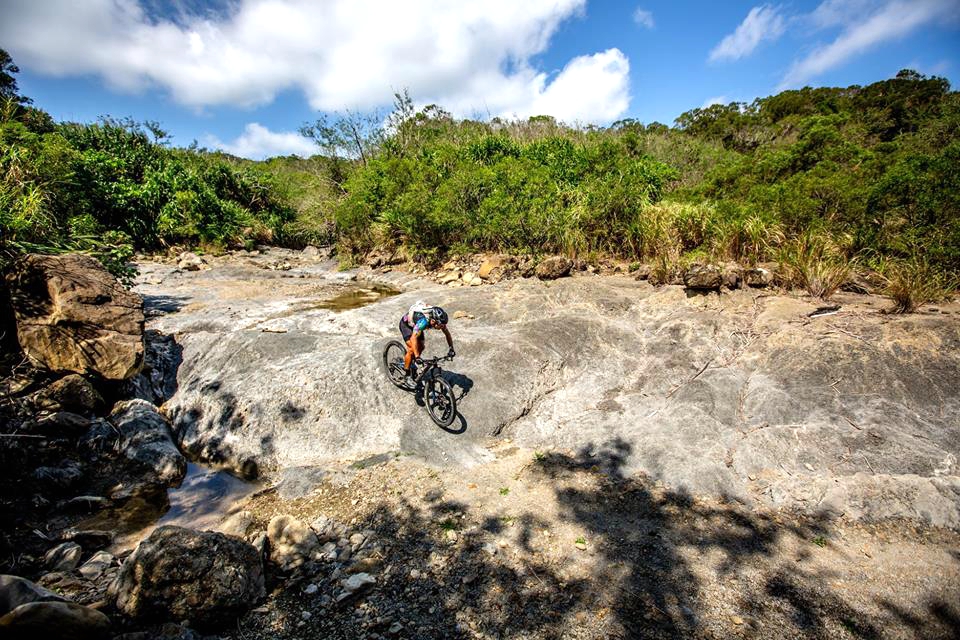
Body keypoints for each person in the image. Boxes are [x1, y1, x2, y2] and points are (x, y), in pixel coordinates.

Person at [399, 300, 454, 384]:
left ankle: (411, 362)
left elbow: (447, 334)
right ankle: (407, 375)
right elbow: (413, 338)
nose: (441, 327)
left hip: (416, 326)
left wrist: (451, 348)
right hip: (406, 325)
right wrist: (417, 357)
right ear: (433, 321)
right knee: (411, 350)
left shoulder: (439, 320)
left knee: (421, 346)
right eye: (440, 325)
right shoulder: (423, 321)